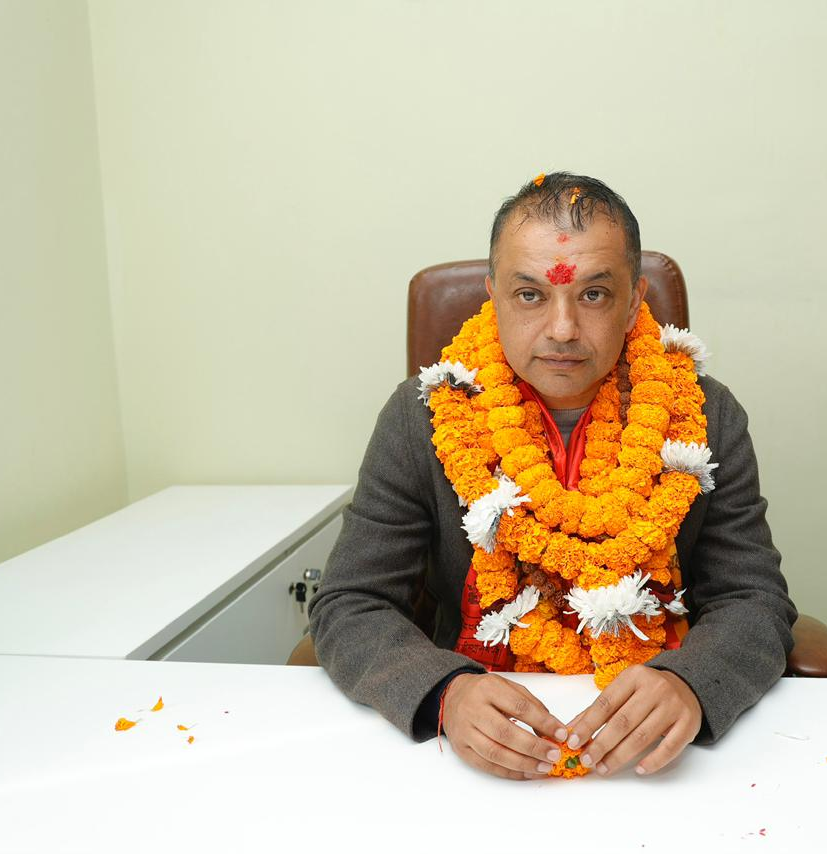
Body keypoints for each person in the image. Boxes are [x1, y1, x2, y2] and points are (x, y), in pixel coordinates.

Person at [308, 172, 796, 780]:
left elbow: (753, 599)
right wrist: (446, 693)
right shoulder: (422, 415)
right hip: (478, 741)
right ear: (493, 296)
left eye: (593, 294)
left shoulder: (703, 412)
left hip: (655, 748)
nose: (563, 329)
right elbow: (351, 602)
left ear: (634, 301)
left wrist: (691, 683)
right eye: (530, 295)